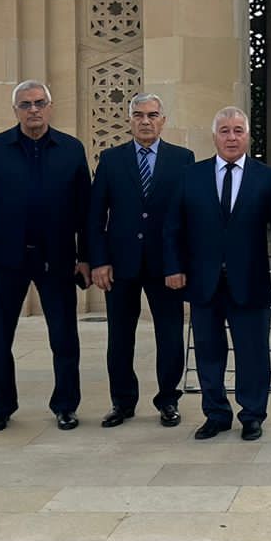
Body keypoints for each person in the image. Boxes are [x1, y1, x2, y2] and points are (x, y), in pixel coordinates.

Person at [0, 80, 91, 432]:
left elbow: (85, 210)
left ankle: (65, 406)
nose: (33, 110)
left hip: (58, 260)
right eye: (25, 104)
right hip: (3, 261)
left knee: (64, 338)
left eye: (39, 103)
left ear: (50, 107)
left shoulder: (71, 149)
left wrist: (86, 257)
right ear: (15, 110)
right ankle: (0, 407)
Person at [164, 107, 271, 441]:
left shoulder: (268, 177)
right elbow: (173, 227)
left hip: (250, 280)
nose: (232, 137)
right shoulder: (191, 175)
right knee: (208, 352)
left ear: (248, 136)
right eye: (225, 131)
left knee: (253, 353)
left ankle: (252, 415)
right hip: (203, 281)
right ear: (214, 136)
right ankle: (216, 414)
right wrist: (173, 267)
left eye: (238, 130)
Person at [88, 92, 195, 429]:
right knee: (120, 337)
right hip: (120, 265)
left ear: (163, 120)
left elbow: (189, 217)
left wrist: (181, 264)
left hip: (166, 266)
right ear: (130, 120)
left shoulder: (183, 159)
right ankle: (122, 402)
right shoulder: (111, 159)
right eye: (138, 115)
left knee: (170, 335)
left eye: (152, 115)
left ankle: (168, 400)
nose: (145, 121)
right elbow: (95, 216)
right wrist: (99, 261)